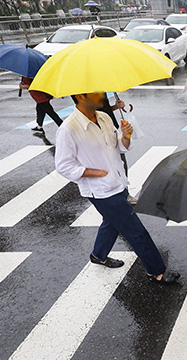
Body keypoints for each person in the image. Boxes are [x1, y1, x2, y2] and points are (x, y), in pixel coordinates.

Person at [55, 92, 179, 284]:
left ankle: (98, 255)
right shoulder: (69, 129)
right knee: (135, 231)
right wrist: (96, 173)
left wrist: (126, 137)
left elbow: (118, 147)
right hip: (101, 190)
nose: (101, 94)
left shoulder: (103, 117)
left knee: (112, 222)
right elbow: (63, 165)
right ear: (80, 96)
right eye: (96, 91)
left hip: (118, 183)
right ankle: (156, 271)